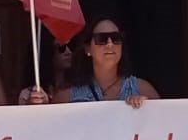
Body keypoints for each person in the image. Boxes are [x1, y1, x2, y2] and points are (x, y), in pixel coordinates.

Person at [24, 16, 160, 104]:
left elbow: (165, 128)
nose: (110, 44)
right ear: (88, 48)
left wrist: (147, 111)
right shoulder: (66, 97)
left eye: (116, 38)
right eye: (102, 39)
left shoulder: (143, 90)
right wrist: (38, 110)